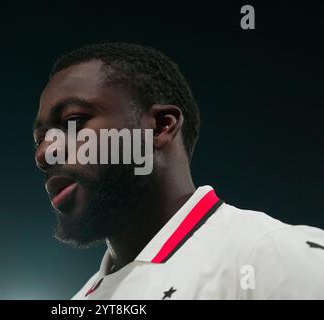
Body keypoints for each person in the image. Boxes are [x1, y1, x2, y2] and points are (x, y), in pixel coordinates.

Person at [33, 42, 324, 299]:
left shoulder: (276, 257)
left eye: (73, 120)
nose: (44, 153)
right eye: (39, 139)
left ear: (160, 127)